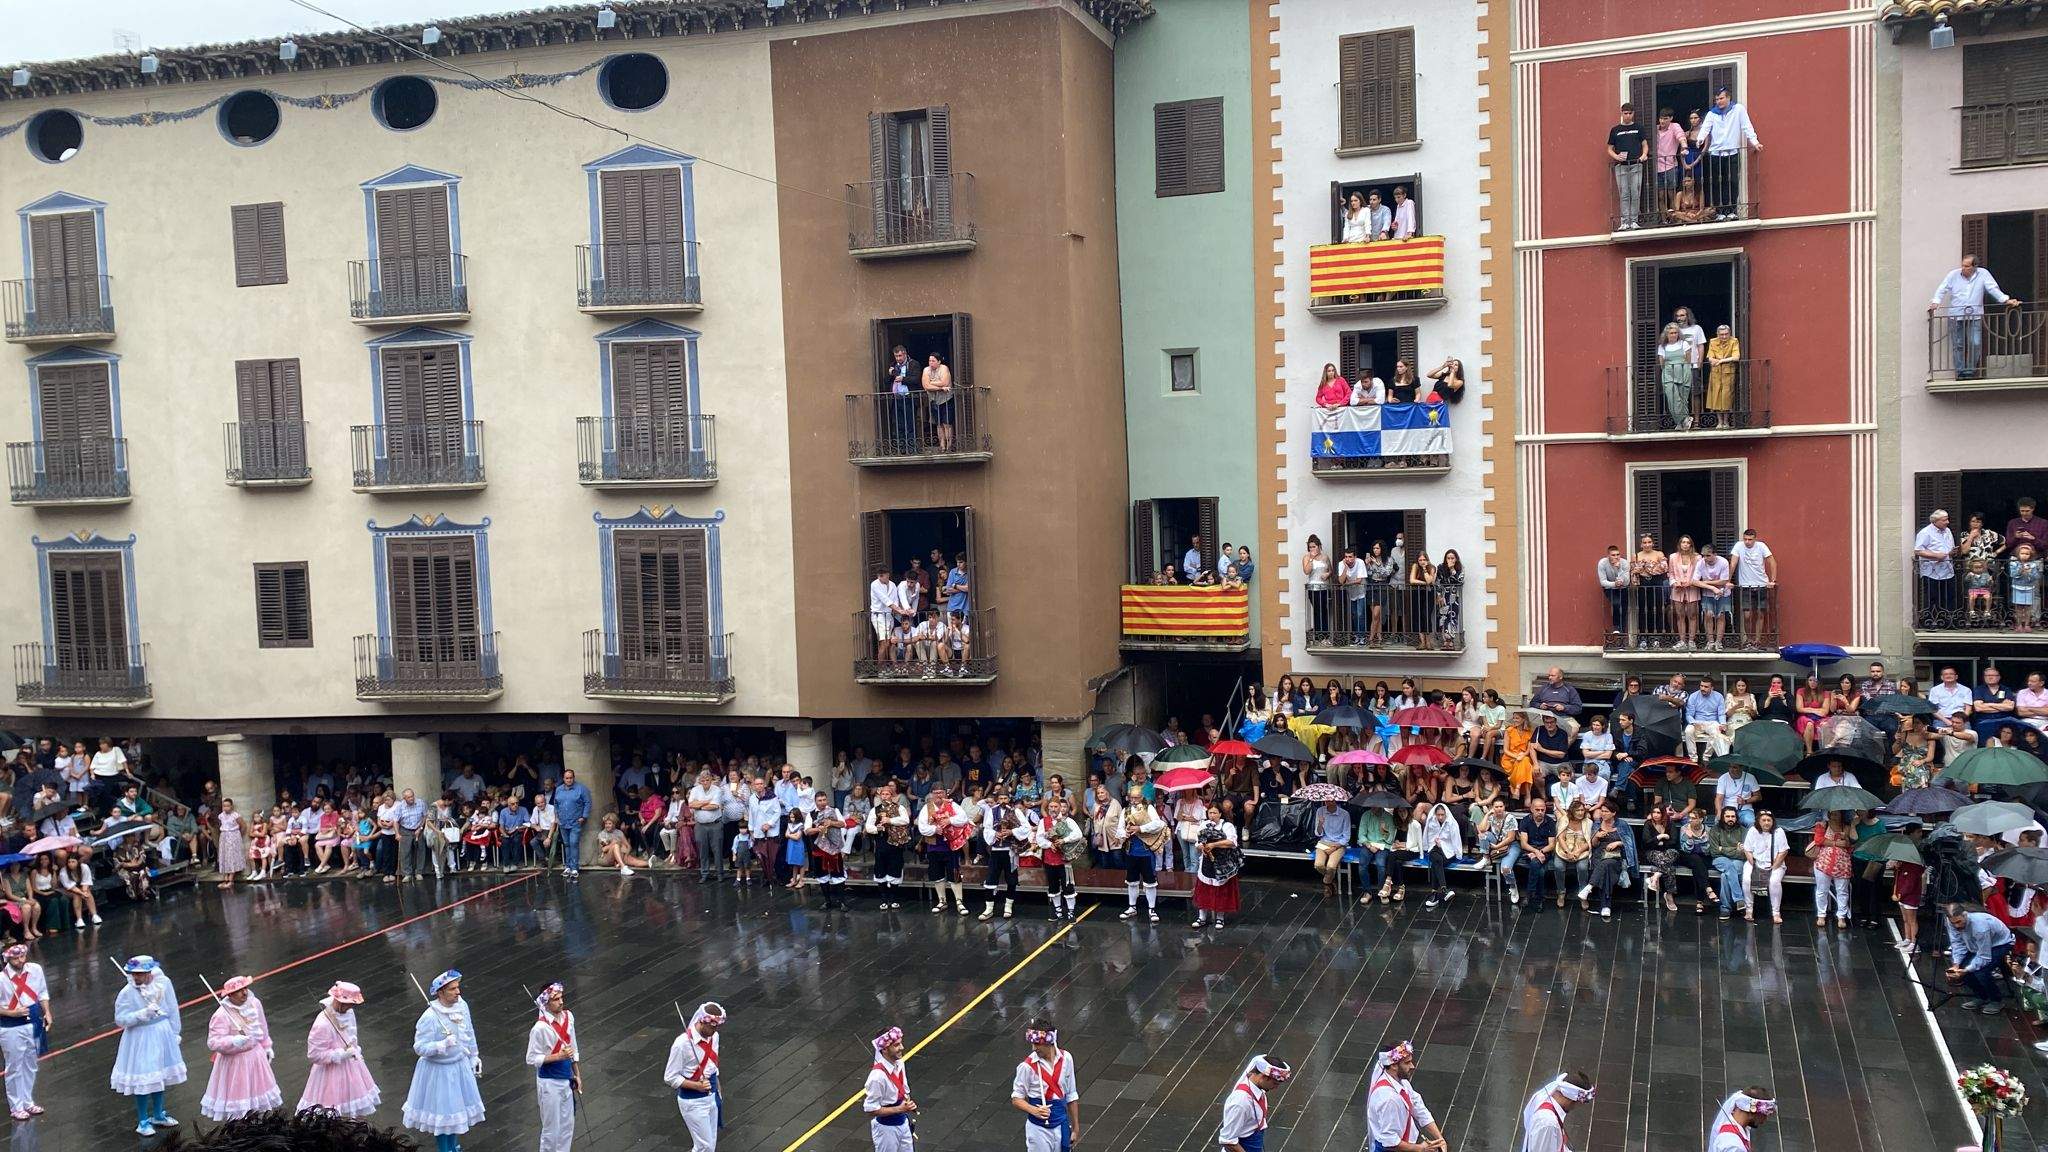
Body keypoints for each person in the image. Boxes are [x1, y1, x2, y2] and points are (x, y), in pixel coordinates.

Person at [404, 970, 485, 1152]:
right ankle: (445, 1149)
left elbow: (469, 1031)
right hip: (439, 1071)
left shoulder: (462, 1006)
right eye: (452, 989)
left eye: (458, 987)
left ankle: (454, 1146)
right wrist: (441, 1045)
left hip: (458, 1066)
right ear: (440, 992)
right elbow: (420, 1047)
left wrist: (474, 1055)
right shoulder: (430, 1017)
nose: (458, 992)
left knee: (455, 1111)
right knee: (443, 1113)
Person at [112, 955, 185, 1136]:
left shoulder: (164, 984)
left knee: (159, 1074)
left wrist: (175, 1032)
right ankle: (143, 1120)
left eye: (141, 974)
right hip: (141, 1037)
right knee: (144, 1078)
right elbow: (120, 1019)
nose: (136, 977)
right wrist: (142, 1014)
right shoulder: (127, 992)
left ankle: (159, 1114)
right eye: (134, 974)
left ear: (149, 972)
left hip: (162, 1033)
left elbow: (172, 1008)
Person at [200, 975, 281, 1122]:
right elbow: (213, 1042)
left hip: (256, 1057)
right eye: (239, 991)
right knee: (240, 1101)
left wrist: (267, 1046)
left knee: (257, 1097)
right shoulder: (221, 1014)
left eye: (245, 988)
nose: (244, 993)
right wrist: (233, 1041)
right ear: (230, 995)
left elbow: (262, 1026)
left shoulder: (255, 1003)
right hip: (235, 1064)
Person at [1930, 254, 2022, 379]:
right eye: (1962, 265)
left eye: (1967, 266)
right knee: (1958, 344)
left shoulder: (1983, 274)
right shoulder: (1953, 275)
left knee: (1975, 342)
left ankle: (1970, 370)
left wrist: (2005, 300)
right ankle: (1961, 371)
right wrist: (1936, 302)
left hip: (1975, 315)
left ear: (1975, 267)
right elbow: (1942, 288)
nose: (1963, 268)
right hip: (1956, 315)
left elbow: (1992, 288)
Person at [300, 981, 378, 1118]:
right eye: (350, 1003)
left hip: (352, 1067)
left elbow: (352, 1036)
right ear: (340, 1001)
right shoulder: (322, 1023)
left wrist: (355, 1050)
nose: (352, 1006)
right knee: (331, 1111)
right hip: (330, 1073)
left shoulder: (349, 1012)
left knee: (352, 1109)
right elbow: (314, 1054)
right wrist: (341, 1054)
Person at [524, 982, 581, 1152]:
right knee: (551, 1129)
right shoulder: (540, 1028)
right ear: (545, 1004)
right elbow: (531, 1058)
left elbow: (574, 1047)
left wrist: (577, 1074)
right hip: (550, 1082)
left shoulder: (568, 1017)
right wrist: (558, 1056)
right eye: (555, 999)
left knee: (567, 1125)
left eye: (561, 997)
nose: (561, 1002)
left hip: (567, 1078)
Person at [1010, 1019, 1080, 1152]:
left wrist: (1076, 1127)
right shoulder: (1027, 1067)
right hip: (1038, 1130)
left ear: (1050, 1041)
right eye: (1032, 1044)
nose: (1034, 1048)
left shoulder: (1067, 1059)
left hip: (1061, 1124)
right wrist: (1033, 1110)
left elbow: (1071, 1094)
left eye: (1037, 1044)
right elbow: (1016, 1099)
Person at [665, 1002, 725, 1152]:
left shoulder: (714, 1037)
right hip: (693, 1102)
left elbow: (712, 1066)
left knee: (710, 1145)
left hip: (711, 1096)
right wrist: (696, 1086)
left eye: (716, 1027)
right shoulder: (682, 1044)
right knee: (704, 1147)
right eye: (711, 1026)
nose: (714, 1030)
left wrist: (717, 1087)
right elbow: (670, 1077)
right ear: (701, 1021)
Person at [1366, 1041, 1445, 1152]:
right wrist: (1420, 1148)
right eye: (1407, 1063)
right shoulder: (1389, 1099)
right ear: (1393, 1065)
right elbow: (1390, 1141)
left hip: (1406, 1143)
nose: (1412, 1066)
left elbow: (1418, 1108)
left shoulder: (1401, 1082)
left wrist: (1440, 1139)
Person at [1694, 86, 1761, 219]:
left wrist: (1755, 142)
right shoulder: (1712, 114)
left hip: (1732, 152)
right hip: (1715, 153)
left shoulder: (1738, 110)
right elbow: (1705, 129)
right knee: (1717, 183)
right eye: (1717, 99)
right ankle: (1720, 212)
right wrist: (1700, 140)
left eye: (1721, 98)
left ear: (1729, 98)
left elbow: (1746, 126)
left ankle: (1731, 211)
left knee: (1733, 181)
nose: (1719, 101)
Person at [0, 944, 48, 1121]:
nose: (20, 961)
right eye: (15, 958)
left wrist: (47, 1012)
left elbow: (42, 993)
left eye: (22, 957)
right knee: (14, 1067)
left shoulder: (35, 970)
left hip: (33, 1022)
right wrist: (11, 1013)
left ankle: (27, 1101)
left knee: (30, 1064)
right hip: (10, 1027)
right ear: (7, 959)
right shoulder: (1, 978)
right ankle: (16, 1106)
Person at [1946, 903, 2017, 1015]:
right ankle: (1981, 996)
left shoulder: (1980, 927)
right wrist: (1956, 965)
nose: (1956, 926)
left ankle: (1996, 1000)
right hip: (1975, 944)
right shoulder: (1952, 922)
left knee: (1980, 972)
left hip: (2000, 944)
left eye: (1959, 922)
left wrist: (1966, 970)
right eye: (1953, 923)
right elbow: (1957, 943)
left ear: (1965, 915)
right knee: (1963, 967)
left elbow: (1984, 956)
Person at [1218, 1055, 1291, 1152]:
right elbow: (1228, 1141)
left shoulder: (1259, 1090)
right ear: (1263, 1077)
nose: (1276, 1088)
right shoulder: (1240, 1103)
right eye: (1275, 1083)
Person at [917, 787, 972, 914]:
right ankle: (942, 901)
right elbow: (922, 827)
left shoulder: (953, 805)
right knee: (937, 874)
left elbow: (964, 819)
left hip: (950, 845)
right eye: (935, 793)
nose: (938, 795)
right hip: (934, 845)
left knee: (954, 872)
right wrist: (935, 830)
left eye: (940, 792)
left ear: (946, 793)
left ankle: (959, 902)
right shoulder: (927, 808)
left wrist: (949, 820)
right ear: (931, 794)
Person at [864, 1027, 917, 1152]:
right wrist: (900, 1109)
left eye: (901, 1043)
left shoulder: (900, 1063)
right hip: (886, 1130)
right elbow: (870, 1109)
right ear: (885, 1049)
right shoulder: (877, 1077)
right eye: (896, 1045)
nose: (902, 1047)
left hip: (902, 1123)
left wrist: (908, 1104)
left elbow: (903, 1090)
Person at [1119, 787, 1169, 921]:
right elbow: (1118, 831)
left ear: (1142, 797)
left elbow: (1159, 824)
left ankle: (1152, 909)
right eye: (1132, 798)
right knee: (1132, 881)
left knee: (1150, 881)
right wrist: (1126, 833)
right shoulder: (1125, 811)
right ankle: (1132, 907)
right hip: (1131, 851)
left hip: (1146, 851)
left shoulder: (1149, 808)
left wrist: (1140, 828)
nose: (1134, 800)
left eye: (1137, 797)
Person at [1190, 802, 1240, 929]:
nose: (1212, 815)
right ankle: (1202, 917)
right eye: (1210, 813)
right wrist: (1203, 847)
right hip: (1207, 862)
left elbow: (1232, 842)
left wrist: (1214, 845)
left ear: (1220, 814)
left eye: (1214, 813)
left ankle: (1220, 918)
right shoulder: (1204, 825)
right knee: (1204, 889)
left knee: (1221, 891)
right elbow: (1197, 843)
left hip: (1223, 862)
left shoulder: (1227, 826)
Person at [1519, 1070, 1593, 1152]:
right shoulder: (1548, 1123)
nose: (1575, 1108)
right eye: (1578, 1104)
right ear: (1572, 1100)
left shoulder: (1545, 1099)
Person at [865, 782, 912, 909]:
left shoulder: (899, 808)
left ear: (892, 795)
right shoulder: (875, 810)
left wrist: (890, 821)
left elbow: (906, 820)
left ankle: (894, 898)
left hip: (896, 843)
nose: (885, 796)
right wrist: (877, 828)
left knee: (895, 868)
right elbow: (868, 827)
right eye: (883, 794)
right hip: (881, 842)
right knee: (881, 869)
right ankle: (884, 898)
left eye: (887, 794)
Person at [1741, 810, 1789, 924]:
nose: (1766, 823)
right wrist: (1755, 866)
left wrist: (1774, 866)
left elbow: (1784, 851)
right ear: (1758, 821)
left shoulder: (1779, 832)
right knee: (1747, 879)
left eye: (1769, 820)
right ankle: (1749, 910)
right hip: (1755, 862)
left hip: (1775, 864)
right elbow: (1747, 850)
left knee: (1774, 882)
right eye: (1763, 820)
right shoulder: (1753, 830)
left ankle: (1776, 913)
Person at [1607, 102, 1648, 230]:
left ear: (1633, 114)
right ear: (1621, 113)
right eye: (1625, 113)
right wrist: (1616, 156)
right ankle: (1625, 222)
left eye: (1630, 113)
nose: (1628, 116)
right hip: (1621, 166)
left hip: (1636, 164)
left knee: (1635, 192)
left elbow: (1645, 145)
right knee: (1624, 193)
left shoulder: (1639, 128)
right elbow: (1609, 148)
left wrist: (1643, 155)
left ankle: (1634, 221)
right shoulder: (1615, 130)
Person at [1809, 816, 1855, 930]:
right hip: (1824, 862)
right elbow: (1819, 839)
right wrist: (1836, 843)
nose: (1835, 816)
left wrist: (1846, 839)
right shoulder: (1822, 825)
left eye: (1838, 813)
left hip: (1842, 863)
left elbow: (1850, 845)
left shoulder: (1847, 827)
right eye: (1833, 813)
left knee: (1842, 891)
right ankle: (1821, 915)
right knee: (1822, 890)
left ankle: (1841, 916)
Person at [1915, 509, 1958, 622]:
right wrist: (1935, 556)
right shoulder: (1925, 532)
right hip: (1931, 572)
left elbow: (1949, 548)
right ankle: (1930, 621)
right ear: (1936, 521)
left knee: (1948, 597)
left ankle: (1947, 621)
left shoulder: (1947, 531)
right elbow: (1918, 551)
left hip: (1948, 570)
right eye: (1944, 520)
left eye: (1947, 519)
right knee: (1932, 598)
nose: (1947, 522)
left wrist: (1952, 552)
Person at [1418, 803, 1463, 910]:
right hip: (1434, 849)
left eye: (1442, 815)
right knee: (1436, 858)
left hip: (1448, 851)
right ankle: (1444, 890)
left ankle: (1434, 894)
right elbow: (1427, 836)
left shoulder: (1452, 823)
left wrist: (1444, 846)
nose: (1440, 817)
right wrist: (1433, 844)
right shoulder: (1431, 821)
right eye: (1438, 815)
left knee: (1436, 863)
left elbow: (1455, 840)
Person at [1707, 807, 1747, 921]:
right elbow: (1714, 851)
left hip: (1738, 860)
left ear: (1736, 817)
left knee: (1725, 876)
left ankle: (1725, 908)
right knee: (1729, 867)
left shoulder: (1743, 831)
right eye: (1727, 816)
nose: (1730, 819)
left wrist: (1723, 849)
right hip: (1719, 859)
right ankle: (1739, 899)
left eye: (1733, 816)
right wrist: (1735, 850)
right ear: (1723, 817)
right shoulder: (1715, 830)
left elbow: (1743, 853)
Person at [1518, 797, 1558, 908]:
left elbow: (1551, 845)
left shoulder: (1550, 822)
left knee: (1536, 864)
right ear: (1531, 809)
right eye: (1537, 810)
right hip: (1529, 850)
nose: (1540, 812)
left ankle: (1529, 894)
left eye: (1542, 810)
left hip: (1545, 851)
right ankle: (1539, 899)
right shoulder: (1525, 821)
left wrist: (1540, 852)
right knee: (1539, 870)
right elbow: (1524, 844)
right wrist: (1536, 852)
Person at [1708, 1088, 1776, 1152]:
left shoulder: (1737, 1130)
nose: (1765, 1120)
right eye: (1764, 1115)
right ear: (1751, 1112)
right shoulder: (1733, 1146)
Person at [553, 770, 592, 878]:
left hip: (575, 821)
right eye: (567, 778)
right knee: (566, 844)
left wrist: (583, 816)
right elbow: (556, 804)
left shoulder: (581, 788)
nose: (569, 780)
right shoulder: (559, 789)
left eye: (571, 778)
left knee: (573, 843)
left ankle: (574, 868)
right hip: (563, 822)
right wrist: (556, 817)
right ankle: (568, 867)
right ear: (563, 778)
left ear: (573, 778)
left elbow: (587, 802)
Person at [1310, 795, 1351, 897]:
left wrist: (1335, 847)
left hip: (1339, 844)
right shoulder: (1320, 811)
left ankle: (1327, 883)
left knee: (1331, 866)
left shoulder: (1345, 814)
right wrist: (1320, 824)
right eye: (1326, 800)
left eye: (1330, 800)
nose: (1327, 802)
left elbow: (1346, 836)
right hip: (1324, 842)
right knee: (1318, 865)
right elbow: (1318, 833)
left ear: (1335, 801)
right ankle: (1330, 881)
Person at [1657, 322, 1693, 432]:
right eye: (1671, 333)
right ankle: (1684, 419)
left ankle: (1680, 423)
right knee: (1672, 398)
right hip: (1668, 373)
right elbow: (1661, 363)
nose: (1674, 335)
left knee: (1683, 398)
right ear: (1666, 334)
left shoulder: (1684, 344)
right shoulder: (1662, 347)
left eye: (1676, 332)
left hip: (1683, 371)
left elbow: (1688, 360)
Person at [1683, 676, 1729, 761]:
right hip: (1697, 722)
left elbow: (1721, 714)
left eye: (1706, 687)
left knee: (1717, 732)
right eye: (1701, 686)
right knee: (1688, 731)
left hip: (1712, 722)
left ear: (1712, 688)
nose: (1703, 688)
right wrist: (1693, 722)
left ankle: (1706, 758)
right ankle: (1693, 759)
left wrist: (1723, 724)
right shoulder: (1694, 696)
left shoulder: (1718, 696)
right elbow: (1689, 714)